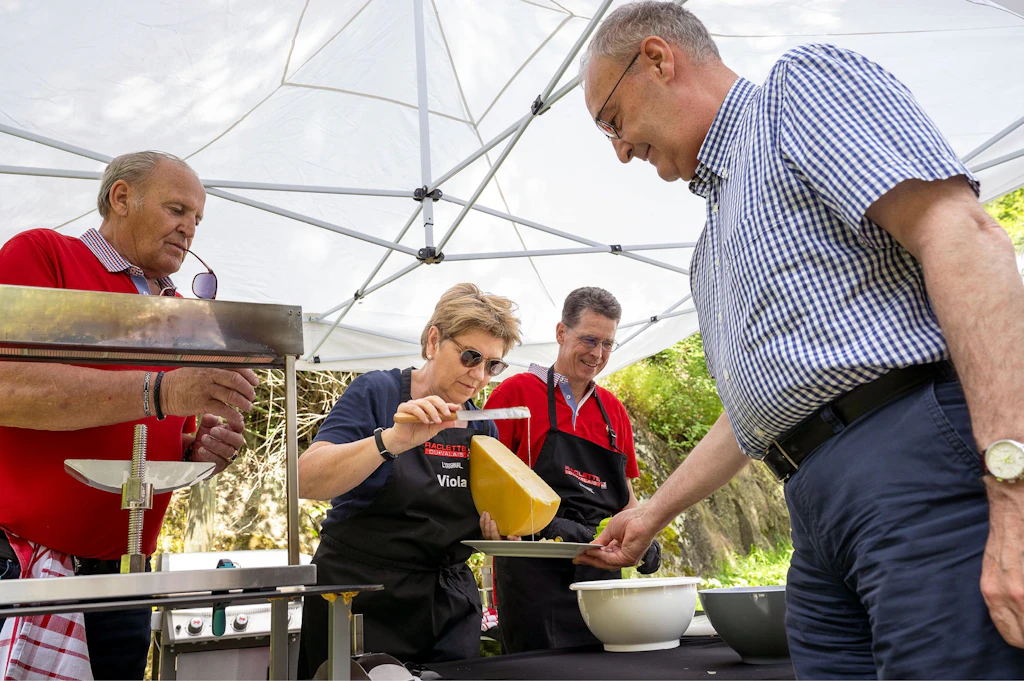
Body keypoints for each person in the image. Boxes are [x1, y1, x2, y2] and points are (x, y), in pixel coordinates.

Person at [573, 2, 1024, 678]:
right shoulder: (707, 249)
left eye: (612, 119)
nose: (620, 148)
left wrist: (1012, 486)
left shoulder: (795, 92)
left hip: (909, 462)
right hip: (810, 505)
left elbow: (964, 236)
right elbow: (758, 412)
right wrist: (653, 513)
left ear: (658, 59)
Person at [0, 151, 259, 680]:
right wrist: (164, 391)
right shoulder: (45, 253)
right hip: (22, 561)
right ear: (121, 197)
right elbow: (6, 385)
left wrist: (194, 451)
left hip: (127, 575)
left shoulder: (177, 309)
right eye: (176, 209)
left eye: (197, 219)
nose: (189, 228)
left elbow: (155, 431)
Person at [297, 283, 521, 676]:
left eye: (492, 365)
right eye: (471, 356)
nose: (479, 375)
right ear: (434, 339)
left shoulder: (483, 425)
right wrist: (392, 441)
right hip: (361, 602)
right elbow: (305, 481)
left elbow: (489, 522)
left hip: (446, 610)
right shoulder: (377, 392)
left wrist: (502, 535)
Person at [484, 286, 661, 653]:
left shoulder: (613, 412)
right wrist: (545, 525)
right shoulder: (515, 395)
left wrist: (644, 529)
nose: (597, 354)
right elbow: (487, 488)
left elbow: (625, 499)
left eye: (608, 344)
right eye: (589, 339)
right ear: (561, 333)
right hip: (532, 576)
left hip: (601, 572)